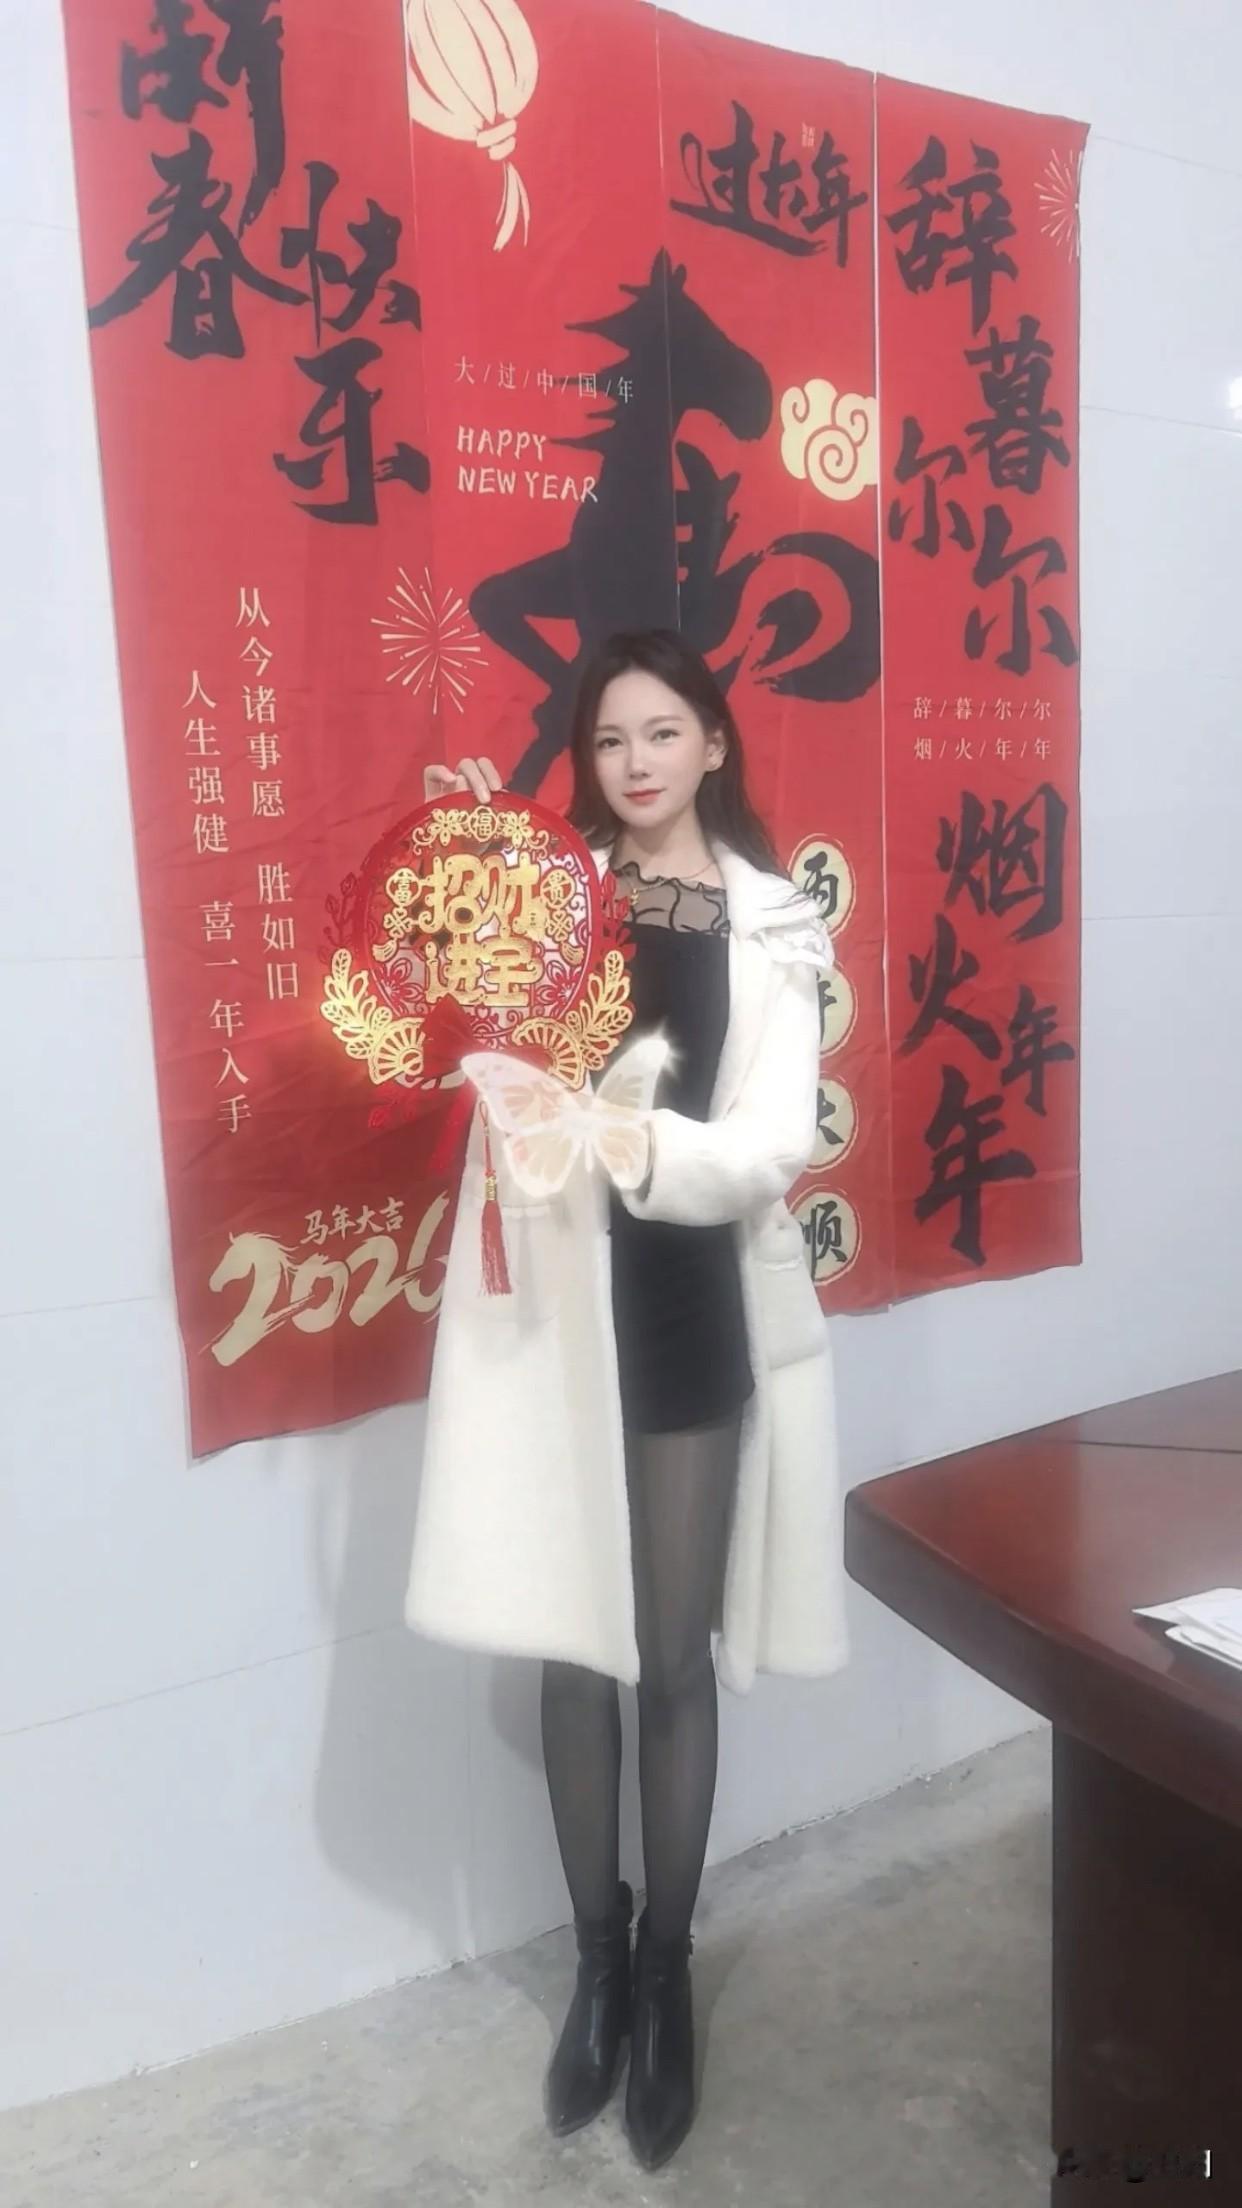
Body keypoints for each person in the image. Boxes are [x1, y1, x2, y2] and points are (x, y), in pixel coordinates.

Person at [405, 629, 849, 2169]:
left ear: (713, 742)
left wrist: (635, 1146)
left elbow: (773, 1142)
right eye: (608, 740)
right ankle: (594, 1964)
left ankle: (664, 1975)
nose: (636, 762)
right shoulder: (549, 892)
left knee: (667, 1659)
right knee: (571, 1646)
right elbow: (473, 1055)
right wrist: (475, 909)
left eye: (662, 732)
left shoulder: (774, 920)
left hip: (687, 1306)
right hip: (558, 1317)